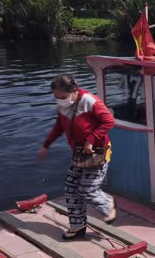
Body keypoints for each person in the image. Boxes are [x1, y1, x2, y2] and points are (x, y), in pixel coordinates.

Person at [38, 74, 116, 239]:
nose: (60, 100)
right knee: (70, 189)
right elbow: (59, 127)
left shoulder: (89, 101)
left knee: (86, 189)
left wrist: (91, 139)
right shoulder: (62, 107)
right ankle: (78, 225)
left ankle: (108, 205)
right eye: (56, 97)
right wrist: (46, 144)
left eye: (63, 97)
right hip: (79, 153)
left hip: (97, 152)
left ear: (73, 91)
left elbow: (108, 121)